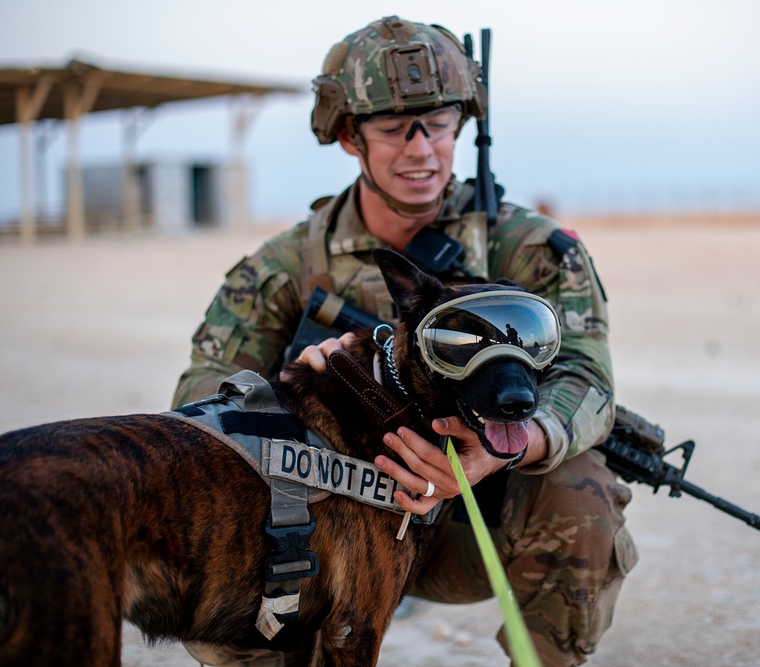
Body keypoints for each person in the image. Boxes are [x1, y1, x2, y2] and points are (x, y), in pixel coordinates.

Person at [173, 16, 637, 667]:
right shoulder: (285, 265)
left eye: (441, 123)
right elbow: (199, 395)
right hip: (323, 525)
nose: (422, 150)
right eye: (394, 130)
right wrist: (282, 394)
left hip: (466, 522)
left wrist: (499, 452)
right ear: (347, 137)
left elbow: (588, 380)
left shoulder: (529, 251)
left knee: (580, 483)